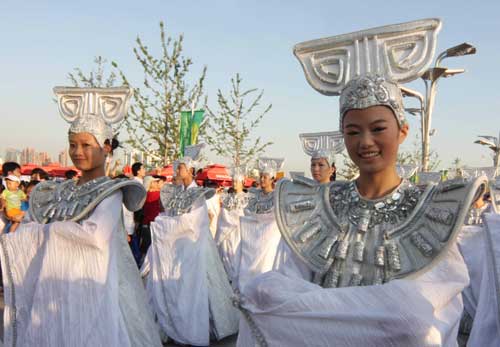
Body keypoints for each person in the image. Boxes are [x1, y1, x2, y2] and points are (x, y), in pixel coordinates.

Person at [236, 19, 499, 347]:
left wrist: (321, 310)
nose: (365, 142)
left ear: (402, 131)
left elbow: (420, 319)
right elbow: (283, 290)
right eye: (353, 131)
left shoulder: (431, 209)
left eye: (378, 129)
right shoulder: (321, 205)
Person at [0, 86, 161, 346]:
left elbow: (95, 237)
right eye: (72, 144)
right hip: (55, 287)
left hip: (94, 289)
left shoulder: (110, 192)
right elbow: (33, 222)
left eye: (86, 145)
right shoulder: (56, 190)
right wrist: (35, 230)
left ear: (106, 147)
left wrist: (45, 231)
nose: (78, 151)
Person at [142, 144, 238, 346]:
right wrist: (166, 222)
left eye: (181, 168)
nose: (177, 171)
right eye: (178, 168)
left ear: (191, 171)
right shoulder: (177, 193)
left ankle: (195, 327)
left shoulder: (198, 195)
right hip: (175, 248)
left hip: (194, 249)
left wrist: (165, 224)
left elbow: (195, 222)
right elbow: (172, 215)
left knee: (198, 289)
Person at [234, 157, 285, 291]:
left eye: (265, 177)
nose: (262, 179)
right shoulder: (253, 194)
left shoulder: (277, 197)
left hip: (268, 241)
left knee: (265, 269)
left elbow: (278, 218)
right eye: (261, 176)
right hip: (251, 239)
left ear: (272, 179)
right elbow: (245, 211)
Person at [215, 167, 249, 284]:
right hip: (225, 234)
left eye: (237, 181)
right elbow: (222, 215)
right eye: (233, 181)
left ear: (243, 182)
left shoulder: (247, 199)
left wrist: (233, 216)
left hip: (239, 233)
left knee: (236, 257)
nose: (234, 183)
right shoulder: (227, 198)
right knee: (225, 257)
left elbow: (245, 216)